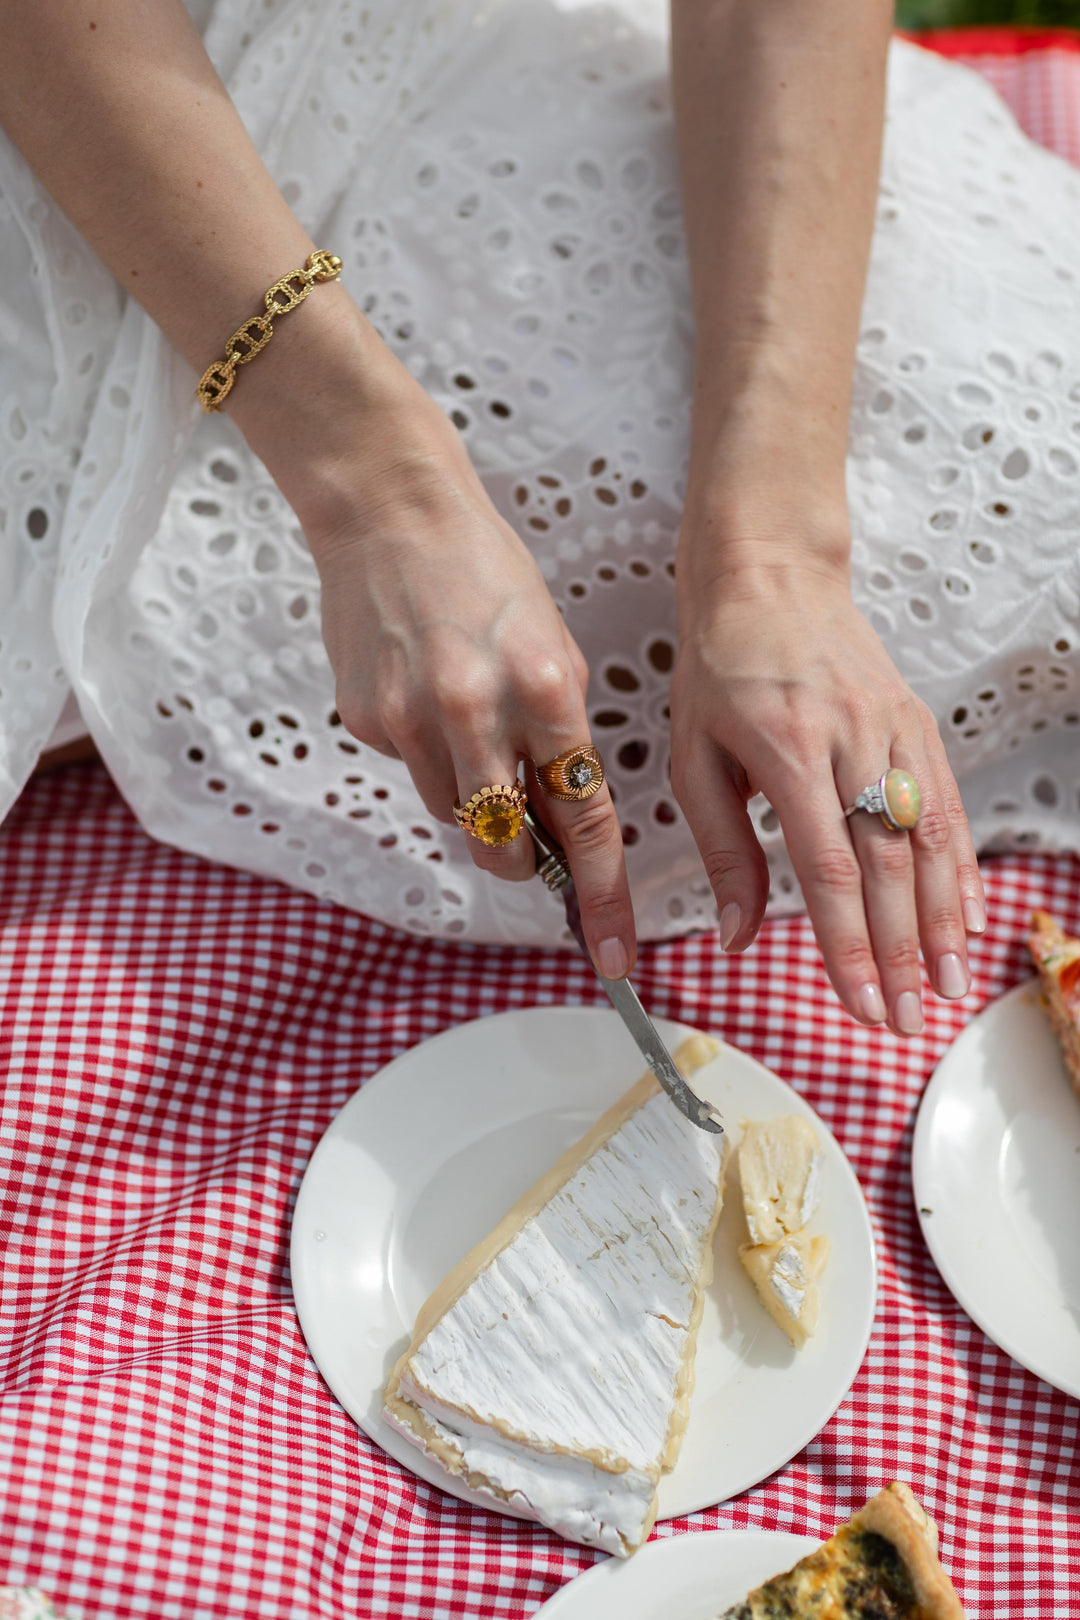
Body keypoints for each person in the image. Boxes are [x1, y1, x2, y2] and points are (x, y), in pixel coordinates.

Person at [0, 0, 1077, 1039]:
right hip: (79, 110)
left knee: (1014, 460)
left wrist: (774, 552)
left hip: (407, 74)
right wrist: (378, 487)